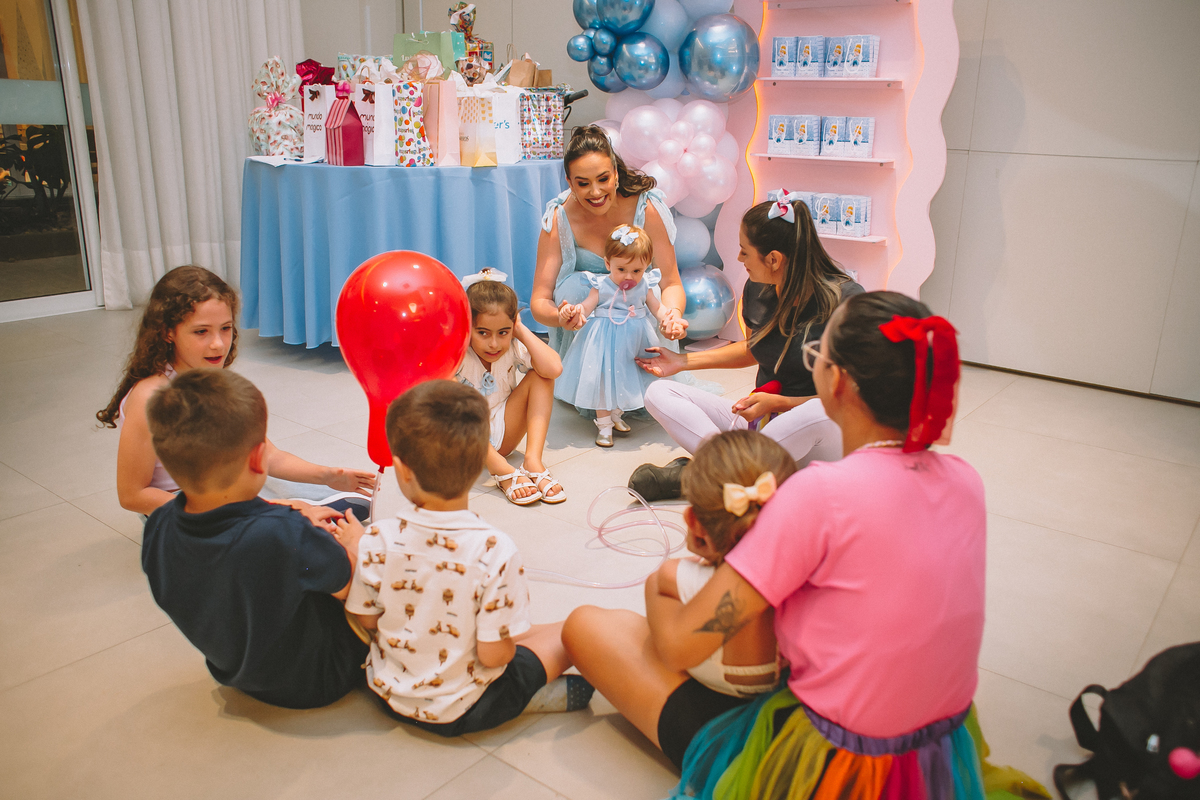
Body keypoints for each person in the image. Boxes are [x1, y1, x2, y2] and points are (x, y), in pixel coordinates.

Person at [600, 291, 1048, 800]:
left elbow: (682, 643)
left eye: (818, 356)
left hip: (833, 765)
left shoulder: (819, 495)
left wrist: (663, 586)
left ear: (835, 381)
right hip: (937, 756)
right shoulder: (967, 481)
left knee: (594, 629)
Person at [343, 380, 594, 735]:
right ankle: (528, 697)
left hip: (390, 695)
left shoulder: (376, 538)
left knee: (511, 630)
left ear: (402, 470)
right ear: (480, 462)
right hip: (469, 707)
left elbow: (363, 619)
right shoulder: (495, 550)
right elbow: (494, 657)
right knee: (577, 630)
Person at [562, 429, 793, 771]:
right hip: (790, 713)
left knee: (582, 624)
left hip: (722, 739)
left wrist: (681, 571)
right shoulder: (810, 574)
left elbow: (668, 650)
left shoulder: (673, 579)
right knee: (620, 623)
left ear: (693, 520)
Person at [140, 369, 370, 709]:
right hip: (321, 677)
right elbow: (353, 585)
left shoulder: (158, 524)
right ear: (258, 457)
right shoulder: (284, 533)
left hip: (234, 670)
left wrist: (286, 512)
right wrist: (353, 541)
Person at [629, 190, 864, 500]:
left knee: (817, 411)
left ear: (774, 259)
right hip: (764, 423)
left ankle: (705, 474)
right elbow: (755, 349)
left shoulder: (846, 301)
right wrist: (681, 362)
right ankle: (738, 475)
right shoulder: (759, 288)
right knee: (659, 393)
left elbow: (852, 396)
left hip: (821, 428)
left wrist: (782, 404)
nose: (739, 259)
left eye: (744, 251)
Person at [97, 266, 375, 517]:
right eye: (201, 332)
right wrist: (235, 511)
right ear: (168, 332)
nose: (218, 344)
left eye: (226, 329)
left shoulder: (215, 383)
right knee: (299, 525)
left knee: (353, 505)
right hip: (183, 511)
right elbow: (133, 495)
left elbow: (266, 454)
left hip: (224, 486)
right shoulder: (151, 398)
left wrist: (327, 476)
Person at [531, 125, 689, 361]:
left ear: (615, 173)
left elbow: (670, 282)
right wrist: (560, 316)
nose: (595, 192)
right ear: (569, 182)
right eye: (583, 183)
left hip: (638, 342)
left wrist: (672, 316)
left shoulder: (646, 209)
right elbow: (539, 300)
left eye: (603, 179)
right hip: (582, 355)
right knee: (575, 286)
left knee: (648, 287)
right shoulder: (558, 218)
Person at [554, 225, 684, 447]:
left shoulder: (644, 286)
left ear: (646, 267)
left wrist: (669, 318)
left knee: (626, 377)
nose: (629, 277)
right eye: (621, 269)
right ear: (608, 264)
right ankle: (603, 425)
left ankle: (616, 414)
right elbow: (586, 307)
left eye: (637, 271)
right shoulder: (601, 285)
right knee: (604, 380)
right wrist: (575, 312)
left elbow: (657, 308)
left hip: (634, 341)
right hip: (603, 340)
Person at [455, 269, 566, 506]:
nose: (494, 343)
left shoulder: (512, 345)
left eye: (503, 332)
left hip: (502, 434)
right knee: (447, 388)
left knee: (541, 376)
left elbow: (554, 368)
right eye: (483, 333)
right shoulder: (457, 355)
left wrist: (521, 331)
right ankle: (500, 469)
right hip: (463, 447)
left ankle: (533, 461)